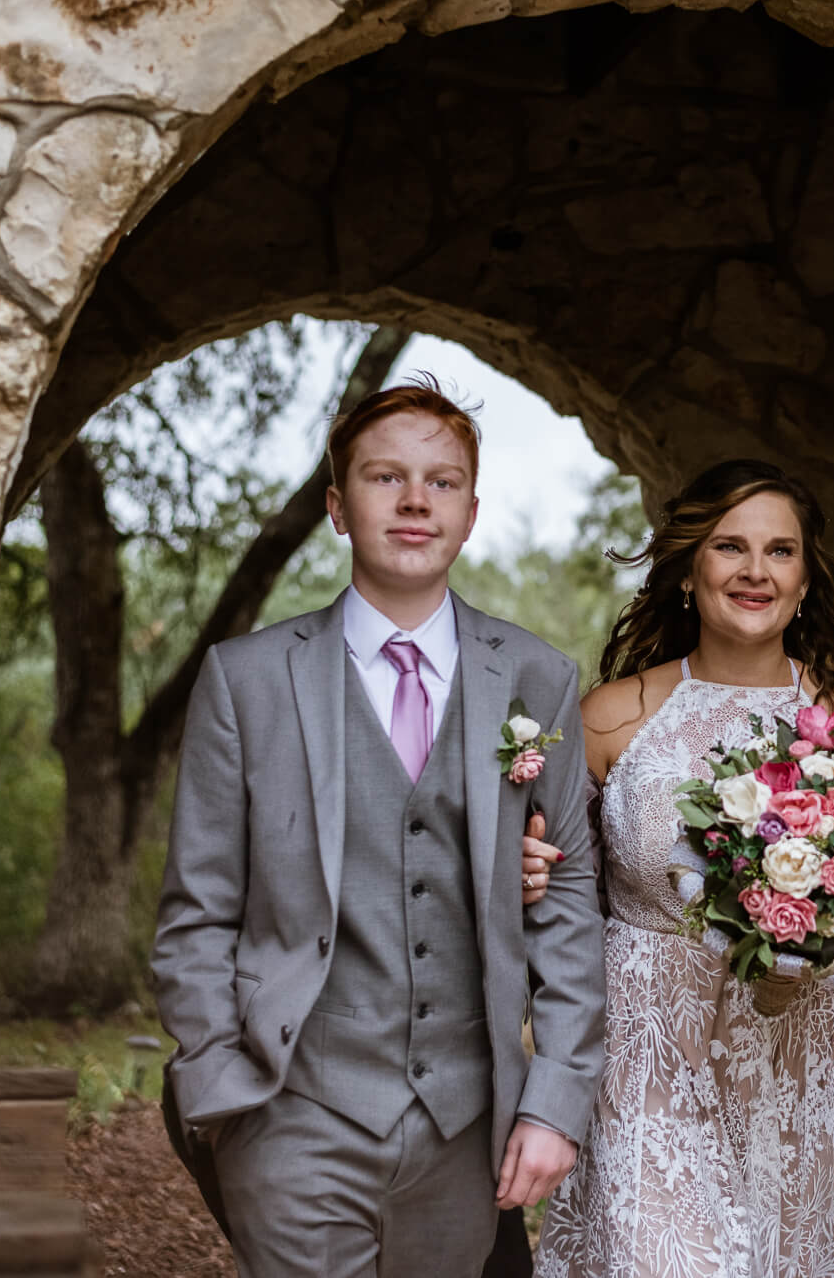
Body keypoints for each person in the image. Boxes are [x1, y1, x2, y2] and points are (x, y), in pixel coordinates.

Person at [151, 378, 606, 1277]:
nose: (412, 500)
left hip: (465, 1126)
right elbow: (197, 909)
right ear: (336, 506)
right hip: (292, 1111)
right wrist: (219, 1083)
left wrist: (554, 1099)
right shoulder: (246, 680)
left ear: (471, 513)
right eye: (384, 476)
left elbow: (571, 894)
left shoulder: (535, 675)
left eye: (441, 482)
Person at [525, 458, 834, 1277]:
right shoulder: (611, 717)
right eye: (730, 546)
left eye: (780, 551)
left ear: (806, 578)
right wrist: (526, 870)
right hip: (649, 1062)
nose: (754, 571)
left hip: (803, 1065)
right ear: (690, 567)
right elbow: (554, 895)